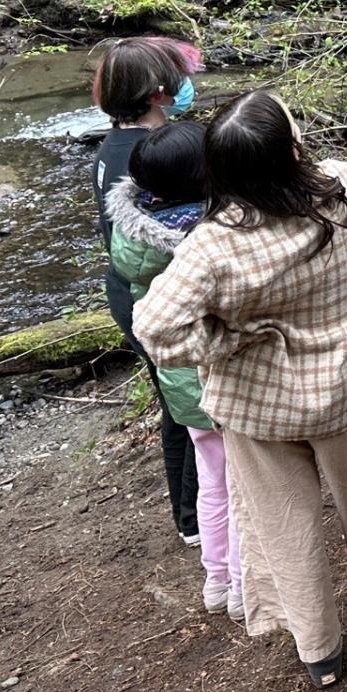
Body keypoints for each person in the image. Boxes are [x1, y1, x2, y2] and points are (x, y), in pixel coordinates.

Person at [133, 92, 347, 689]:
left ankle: (319, 650)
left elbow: (154, 327)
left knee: (280, 521)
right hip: (342, 389)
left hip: (255, 405)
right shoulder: (338, 191)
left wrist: (224, 341)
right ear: (291, 150)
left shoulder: (211, 245)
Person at [105, 120, 240, 619]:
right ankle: (244, 591)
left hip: (179, 388)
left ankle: (215, 578)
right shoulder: (197, 241)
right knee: (243, 487)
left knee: (212, 481)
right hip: (215, 384)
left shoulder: (134, 230)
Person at [90, 36, 203, 544]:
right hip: (153, 294)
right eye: (176, 79)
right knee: (190, 405)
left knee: (176, 404)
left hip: (130, 287)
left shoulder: (113, 146)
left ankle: (192, 515)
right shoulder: (147, 153)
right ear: (159, 92)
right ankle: (198, 516)